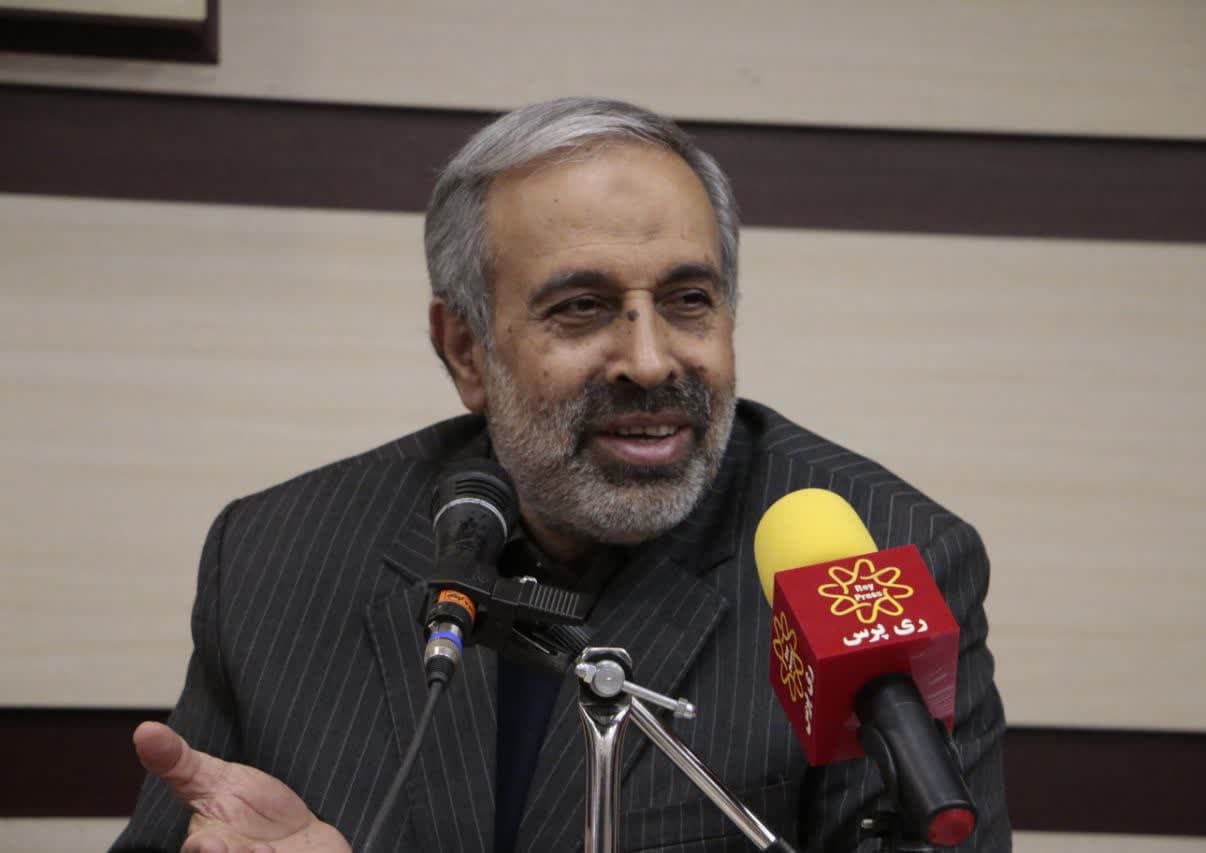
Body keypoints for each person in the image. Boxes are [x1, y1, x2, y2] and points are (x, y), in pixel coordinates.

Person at [113, 97, 1010, 852]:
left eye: (688, 300)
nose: (651, 361)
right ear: (465, 349)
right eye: (582, 307)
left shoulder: (889, 558)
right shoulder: (275, 557)